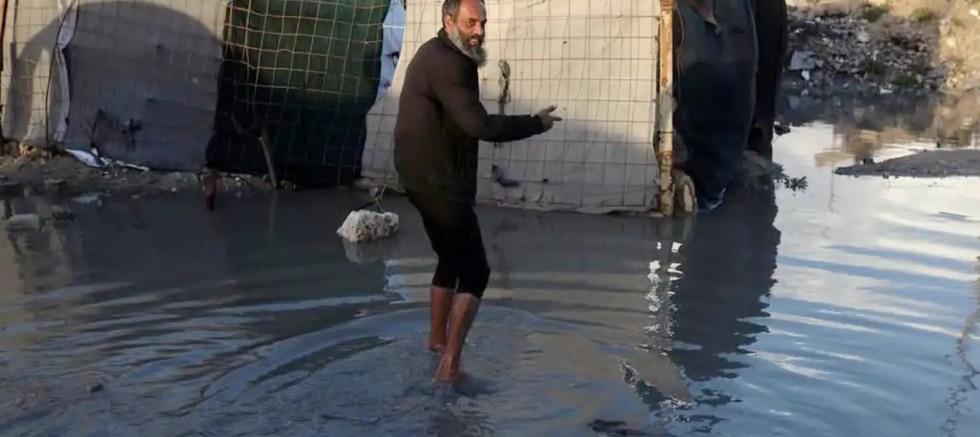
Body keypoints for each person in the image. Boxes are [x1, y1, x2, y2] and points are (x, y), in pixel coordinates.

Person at [393, 0, 561, 382]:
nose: (479, 32)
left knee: (450, 259)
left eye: (483, 23)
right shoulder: (448, 63)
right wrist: (536, 123)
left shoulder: (438, 53)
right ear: (448, 21)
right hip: (439, 182)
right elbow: (479, 125)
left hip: (419, 176)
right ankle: (450, 366)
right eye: (471, 23)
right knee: (476, 272)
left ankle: (437, 341)